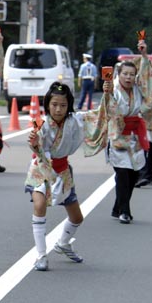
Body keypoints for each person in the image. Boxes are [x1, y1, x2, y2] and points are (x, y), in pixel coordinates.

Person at [26, 82, 110, 271]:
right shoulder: (41, 124)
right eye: (54, 104)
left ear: (68, 105)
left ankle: (63, 243)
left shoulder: (76, 120)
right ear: (47, 104)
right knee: (39, 205)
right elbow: (36, 145)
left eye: (63, 105)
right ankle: (41, 255)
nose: (58, 109)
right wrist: (35, 143)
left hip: (63, 172)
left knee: (77, 217)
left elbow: (100, 115)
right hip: (41, 169)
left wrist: (106, 94)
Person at [102, 36, 152, 224]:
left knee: (134, 173)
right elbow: (106, 109)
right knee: (122, 173)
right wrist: (107, 93)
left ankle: (117, 206)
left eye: (131, 74)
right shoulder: (112, 90)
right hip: (118, 135)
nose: (128, 77)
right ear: (118, 74)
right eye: (125, 74)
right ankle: (125, 211)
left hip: (135, 137)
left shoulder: (139, 88)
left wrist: (147, 54)